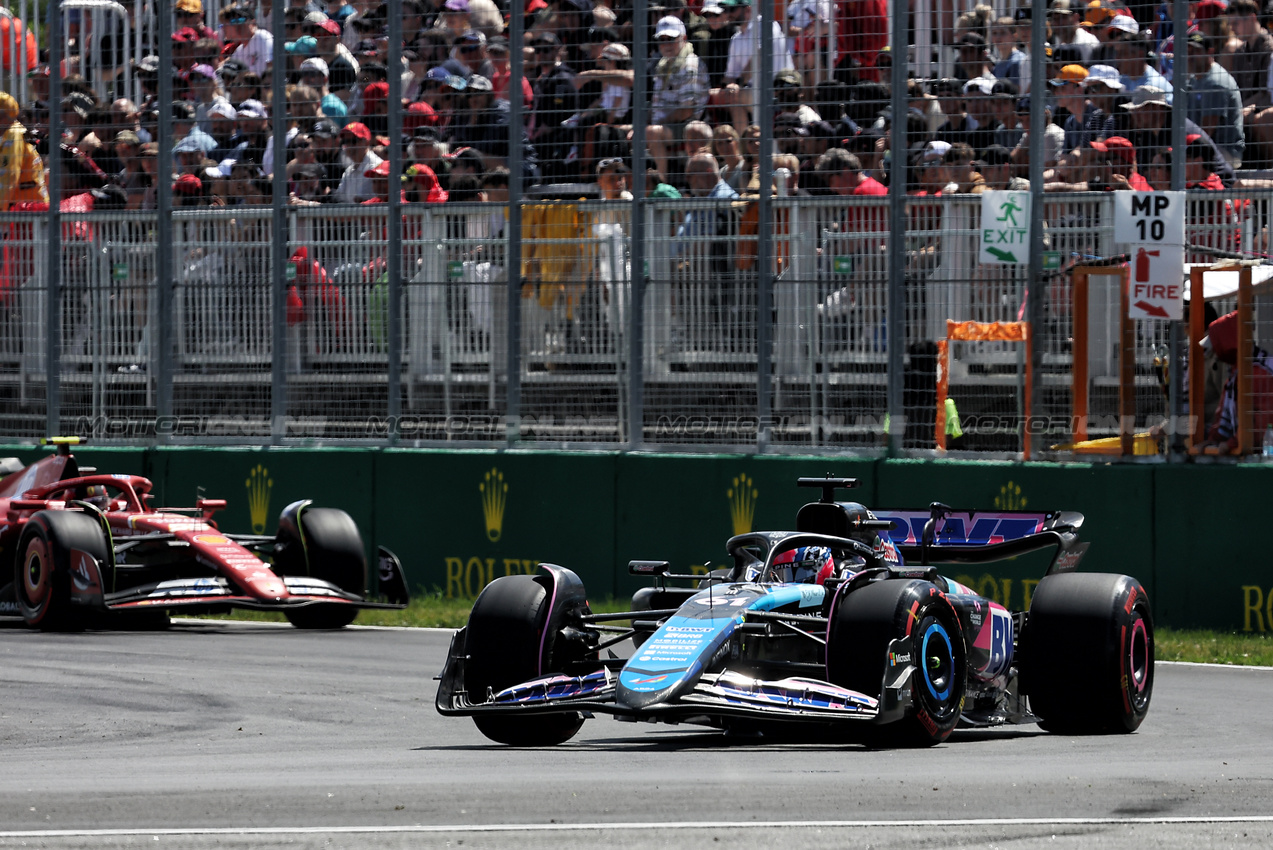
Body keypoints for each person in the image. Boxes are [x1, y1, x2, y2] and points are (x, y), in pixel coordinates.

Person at [1200, 310, 1273, 454]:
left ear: (1227, 342)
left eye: (1217, 344)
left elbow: (1260, 422)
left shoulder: (1257, 371)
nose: (1215, 352)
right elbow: (1223, 414)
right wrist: (1213, 440)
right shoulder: (1238, 370)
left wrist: (1231, 443)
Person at [0, 91, 46, 210]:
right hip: (26, 208)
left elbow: (10, 175)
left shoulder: (13, 134)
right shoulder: (10, 133)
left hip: (28, 211)